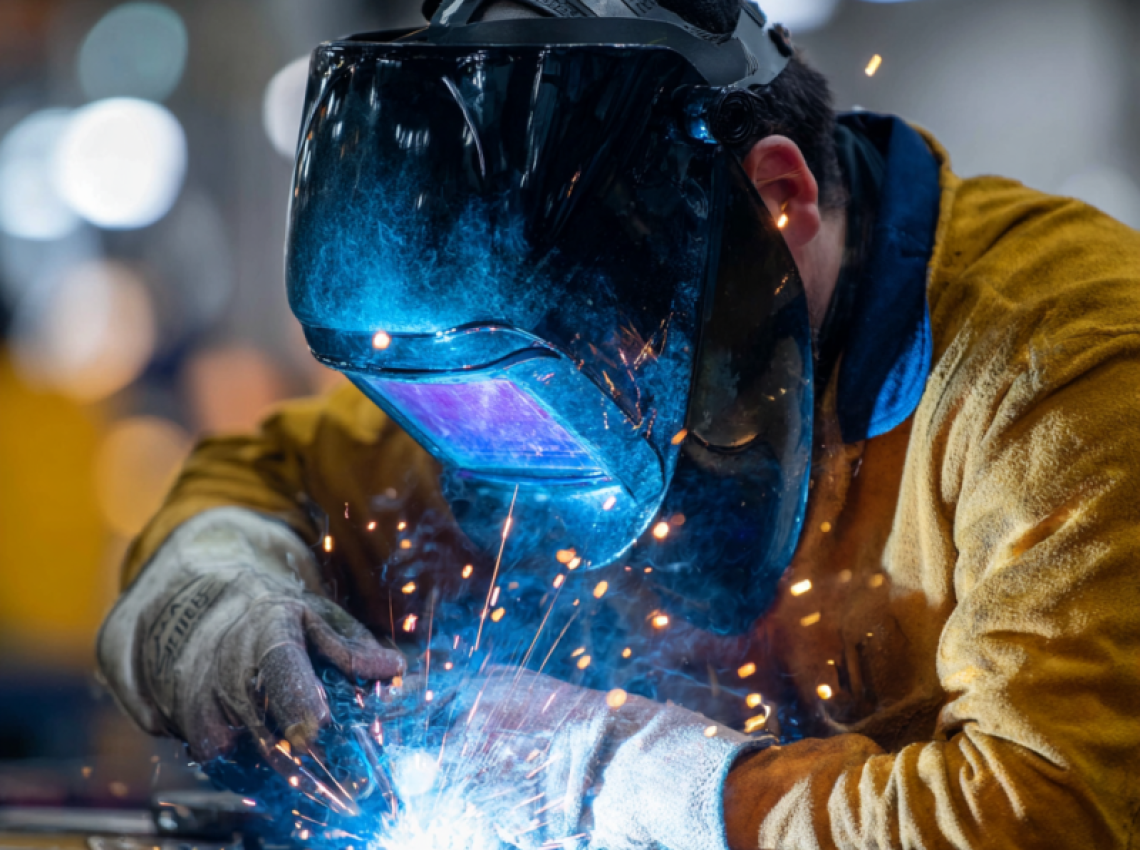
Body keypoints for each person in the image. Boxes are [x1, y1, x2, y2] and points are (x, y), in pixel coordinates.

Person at [97, 0, 1140, 847]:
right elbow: (265, 477)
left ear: (775, 199)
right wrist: (220, 591)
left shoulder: (1065, 366)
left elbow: (1059, 811)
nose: (527, 443)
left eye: (593, 378)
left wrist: (610, 773)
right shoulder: (503, 359)